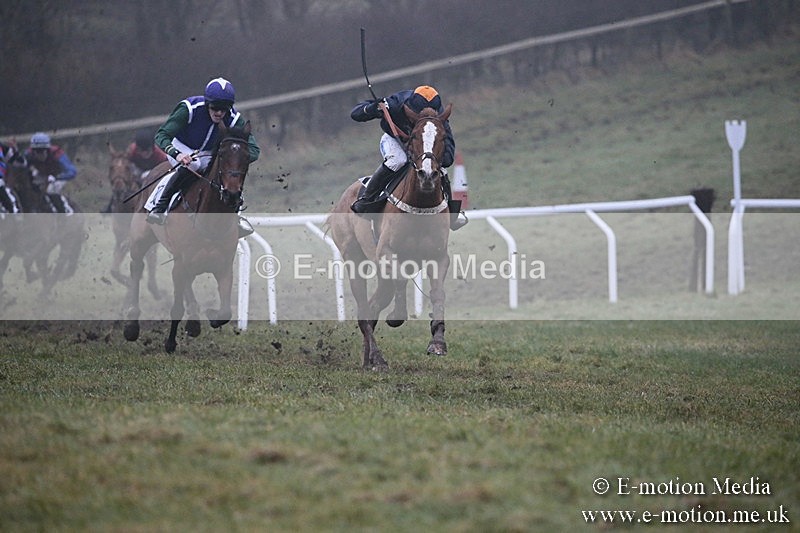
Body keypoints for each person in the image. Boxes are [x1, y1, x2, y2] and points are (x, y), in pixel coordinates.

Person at [149, 77, 260, 237]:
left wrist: (236, 159)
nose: (219, 113)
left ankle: (236, 216)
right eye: (215, 108)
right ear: (207, 103)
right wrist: (177, 154)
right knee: (194, 165)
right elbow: (162, 135)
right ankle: (160, 206)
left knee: (227, 171)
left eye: (224, 109)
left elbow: (254, 150)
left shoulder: (235, 119)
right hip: (180, 146)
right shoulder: (189, 108)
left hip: (209, 153)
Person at [349, 85, 467, 230]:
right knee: (397, 161)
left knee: (438, 168)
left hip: (423, 145)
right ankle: (366, 201)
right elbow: (355, 113)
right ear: (411, 109)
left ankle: (451, 214)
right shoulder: (395, 103)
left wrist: (438, 160)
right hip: (395, 141)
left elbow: (448, 155)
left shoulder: (440, 118)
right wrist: (374, 108)